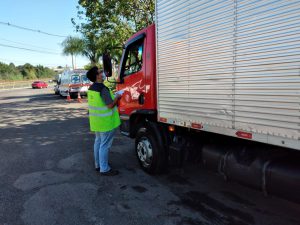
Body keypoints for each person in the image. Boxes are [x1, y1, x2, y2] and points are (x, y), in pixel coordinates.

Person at [86, 66, 122, 176]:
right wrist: (118, 97)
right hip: (106, 122)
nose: (103, 73)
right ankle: (104, 169)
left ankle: (98, 165)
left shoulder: (91, 88)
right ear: (97, 76)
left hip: (97, 122)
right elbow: (110, 105)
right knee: (104, 145)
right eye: (100, 72)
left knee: (98, 142)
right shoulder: (102, 89)